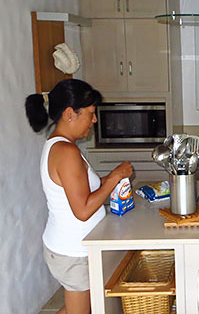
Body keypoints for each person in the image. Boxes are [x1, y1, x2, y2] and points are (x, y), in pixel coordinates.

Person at [25, 79, 133, 314]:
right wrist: (114, 178)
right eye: (91, 113)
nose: (94, 120)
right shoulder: (66, 152)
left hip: (72, 247)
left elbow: (81, 189)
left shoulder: (61, 145)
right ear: (69, 114)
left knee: (85, 306)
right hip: (73, 253)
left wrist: (109, 181)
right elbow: (82, 210)